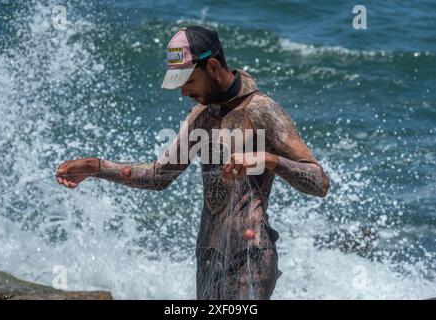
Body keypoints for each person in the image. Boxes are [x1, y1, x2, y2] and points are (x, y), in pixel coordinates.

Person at [56, 26, 330, 300]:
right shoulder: (201, 113)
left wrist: (269, 159)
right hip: (208, 257)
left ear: (212, 66)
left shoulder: (264, 111)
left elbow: (320, 182)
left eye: (188, 81)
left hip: (250, 259)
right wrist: (96, 167)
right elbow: (159, 176)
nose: (183, 92)